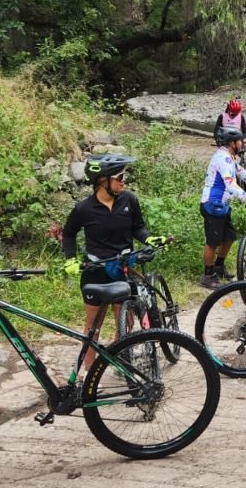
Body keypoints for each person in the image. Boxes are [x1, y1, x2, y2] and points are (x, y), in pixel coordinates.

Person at [62, 153, 168, 368]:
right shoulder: (84, 208)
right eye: (119, 177)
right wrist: (70, 260)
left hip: (123, 269)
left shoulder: (129, 200)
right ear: (103, 180)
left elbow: (137, 226)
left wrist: (149, 238)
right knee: (93, 327)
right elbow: (68, 233)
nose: (124, 181)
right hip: (95, 271)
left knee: (124, 322)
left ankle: (122, 361)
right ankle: (89, 375)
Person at [199, 126, 246, 289]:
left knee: (229, 237)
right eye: (240, 141)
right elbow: (230, 184)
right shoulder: (222, 158)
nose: (242, 144)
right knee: (212, 243)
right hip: (212, 205)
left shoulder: (228, 157)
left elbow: (241, 171)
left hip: (222, 205)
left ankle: (219, 266)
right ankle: (207, 275)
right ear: (232, 143)